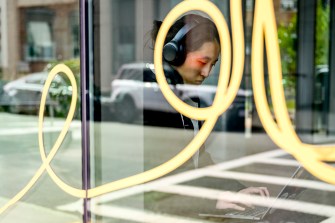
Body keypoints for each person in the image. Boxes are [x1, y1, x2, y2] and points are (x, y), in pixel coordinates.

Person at [146, 13, 269, 212]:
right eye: (203, 62)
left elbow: (201, 161)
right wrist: (213, 202)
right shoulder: (154, 105)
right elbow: (155, 194)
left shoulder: (188, 103)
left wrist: (237, 191)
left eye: (213, 64)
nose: (207, 73)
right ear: (174, 53)